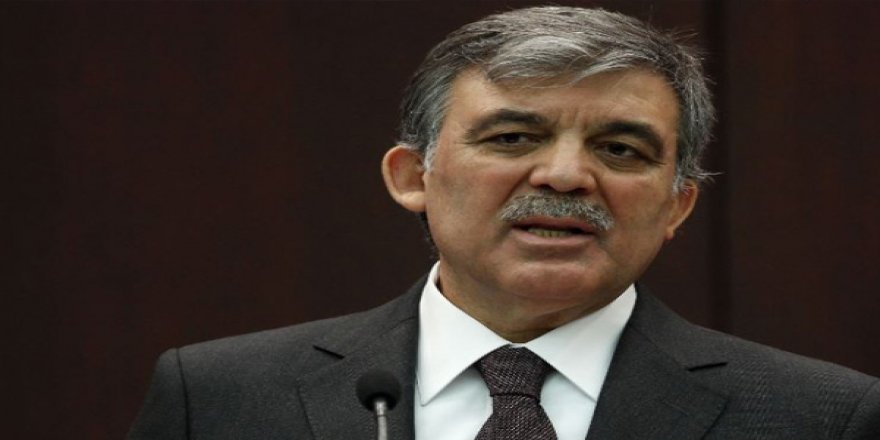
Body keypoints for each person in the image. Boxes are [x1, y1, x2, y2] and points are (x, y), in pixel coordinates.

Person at [127, 6, 879, 439]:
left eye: (620, 149)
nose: (566, 175)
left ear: (677, 204)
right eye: (513, 138)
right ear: (413, 177)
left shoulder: (819, 418)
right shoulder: (221, 398)